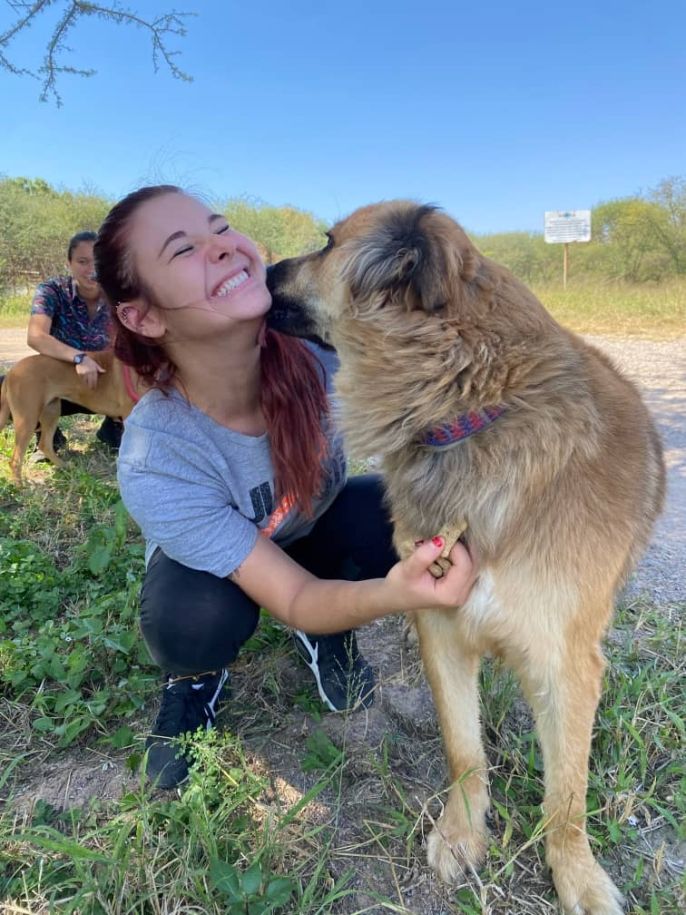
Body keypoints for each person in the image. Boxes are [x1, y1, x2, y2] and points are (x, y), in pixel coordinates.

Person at [93, 185, 478, 789]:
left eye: (220, 228)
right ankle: (193, 683)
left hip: (312, 529)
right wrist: (400, 594)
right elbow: (293, 596)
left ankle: (328, 631)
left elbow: (452, 369)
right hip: (220, 574)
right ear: (143, 316)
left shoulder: (323, 351)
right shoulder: (157, 453)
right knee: (190, 619)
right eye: (183, 249)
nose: (221, 247)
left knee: (405, 513)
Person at [27, 230, 124, 451]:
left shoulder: (118, 296)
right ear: (69, 263)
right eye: (83, 261)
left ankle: (115, 428)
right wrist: (79, 358)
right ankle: (46, 436)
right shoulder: (52, 291)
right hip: (61, 383)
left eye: (98, 262)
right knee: (8, 386)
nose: (92, 270)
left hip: (105, 385)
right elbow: (36, 337)